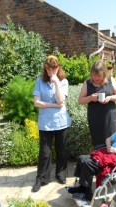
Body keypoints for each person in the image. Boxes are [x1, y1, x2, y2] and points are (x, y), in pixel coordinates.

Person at [65, 106, 116, 201]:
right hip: (110, 156)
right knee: (82, 158)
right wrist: (109, 147)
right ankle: (81, 188)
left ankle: (87, 194)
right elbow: (108, 139)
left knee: (88, 163)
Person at [32, 55, 71, 192]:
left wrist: (56, 83)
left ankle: (61, 174)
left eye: (53, 69)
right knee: (44, 152)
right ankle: (41, 178)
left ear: (58, 68)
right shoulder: (39, 82)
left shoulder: (64, 82)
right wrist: (54, 106)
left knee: (61, 150)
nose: (50, 72)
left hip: (61, 121)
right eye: (48, 69)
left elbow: (60, 100)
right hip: (45, 122)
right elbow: (37, 103)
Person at [78, 60, 116, 147]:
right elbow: (80, 100)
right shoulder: (87, 83)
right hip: (95, 118)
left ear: (104, 74)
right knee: (98, 142)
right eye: (94, 75)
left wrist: (110, 98)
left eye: (99, 75)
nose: (96, 78)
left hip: (109, 117)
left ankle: (111, 159)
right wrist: (90, 98)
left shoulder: (110, 80)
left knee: (112, 141)